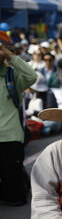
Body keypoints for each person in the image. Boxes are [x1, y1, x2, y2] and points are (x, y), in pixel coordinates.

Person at [0, 31, 37, 206]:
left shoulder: (11, 76)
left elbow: (32, 76)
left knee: (14, 189)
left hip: (10, 136)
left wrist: (11, 56)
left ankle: (20, 189)